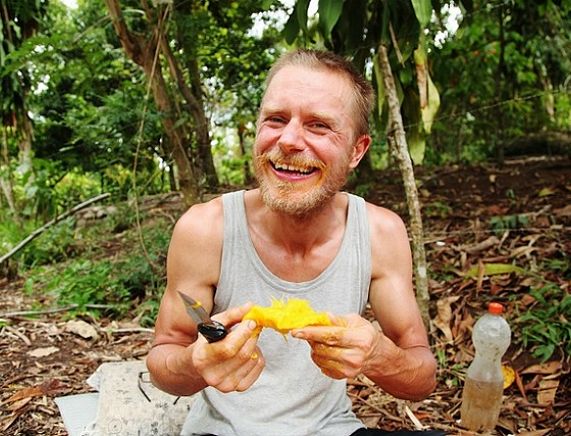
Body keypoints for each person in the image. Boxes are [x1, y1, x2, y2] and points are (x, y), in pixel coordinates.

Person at [146, 49, 444, 436]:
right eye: (276, 119)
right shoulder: (206, 229)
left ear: (357, 150)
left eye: (318, 126)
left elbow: (422, 379)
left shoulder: (379, 233)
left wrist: (378, 356)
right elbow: (163, 358)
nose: (288, 140)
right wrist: (196, 363)